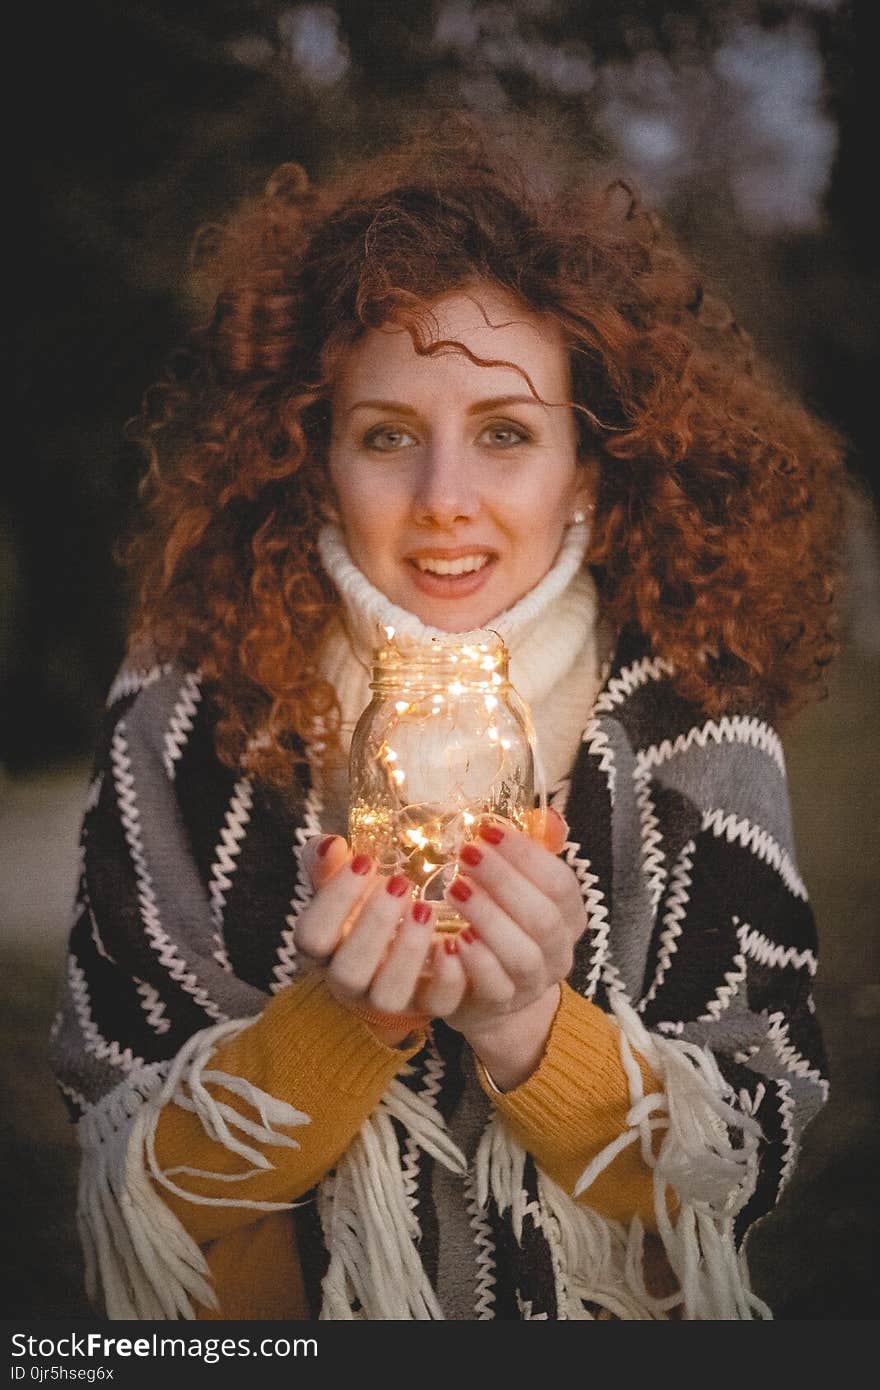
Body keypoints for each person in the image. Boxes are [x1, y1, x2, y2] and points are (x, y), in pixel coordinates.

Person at [50, 117, 845, 1321]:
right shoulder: (187, 714)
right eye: (387, 437)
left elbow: (747, 1155)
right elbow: (131, 1169)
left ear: (584, 462)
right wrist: (336, 1029)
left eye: (506, 434)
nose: (443, 503)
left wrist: (533, 1029)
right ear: (316, 454)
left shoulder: (695, 724)